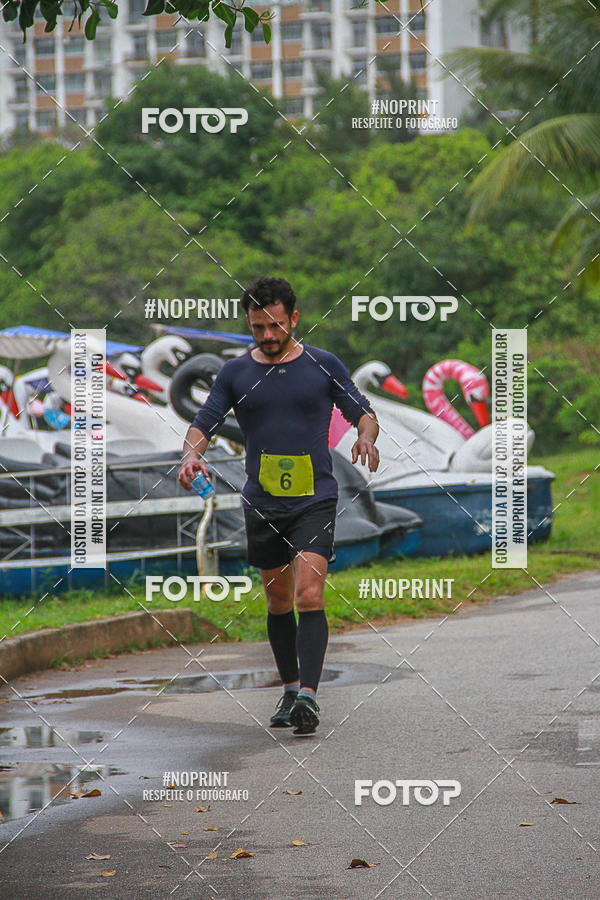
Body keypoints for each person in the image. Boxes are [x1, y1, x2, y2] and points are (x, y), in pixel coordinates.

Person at [178, 276, 379, 735]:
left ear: (294, 318)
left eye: (275, 326)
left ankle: (309, 695)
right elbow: (204, 422)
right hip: (263, 502)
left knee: (310, 592)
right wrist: (191, 454)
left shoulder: (321, 364)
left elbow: (361, 411)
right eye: (257, 328)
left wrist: (366, 436)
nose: (267, 336)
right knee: (278, 598)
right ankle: (290, 689)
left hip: (315, 498)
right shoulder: (234, 373)